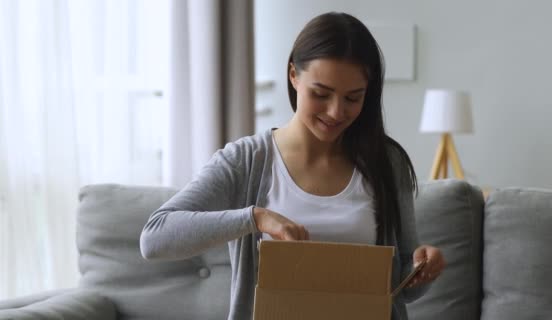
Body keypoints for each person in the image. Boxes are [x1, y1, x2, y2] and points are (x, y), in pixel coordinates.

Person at [140, 11, 445, 320]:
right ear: (293, 76)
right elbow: (154, 238)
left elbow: (401, 290)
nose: (336, 112)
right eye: (321, 94)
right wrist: (255, 218)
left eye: (353, 98)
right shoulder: (247, 160)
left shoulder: (387, 164)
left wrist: (423, 269)